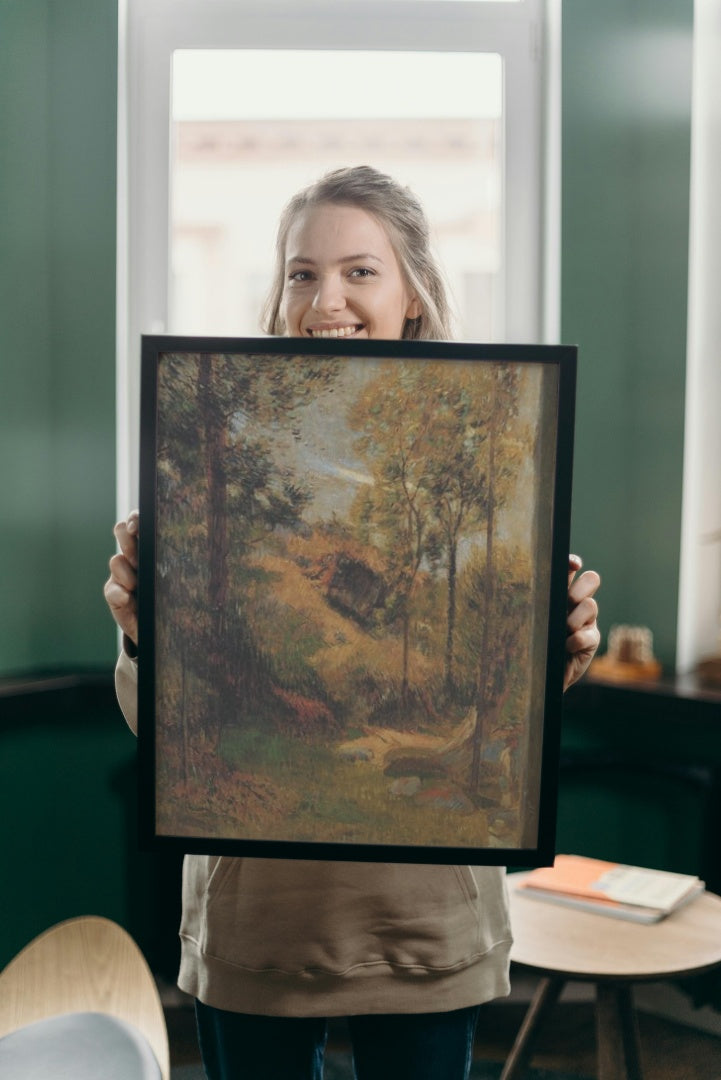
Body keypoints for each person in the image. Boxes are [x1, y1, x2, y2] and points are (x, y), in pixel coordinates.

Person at [105, 166, 601, 1080]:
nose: (324, 298)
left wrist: (555, 650)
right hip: (256, 927)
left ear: (412, 292)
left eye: (359, 271)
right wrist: (146, 637)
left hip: (425, 926)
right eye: (301, 272)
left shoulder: (496, 427)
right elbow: (167, 729)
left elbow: (502, 724)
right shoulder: (213, 433)